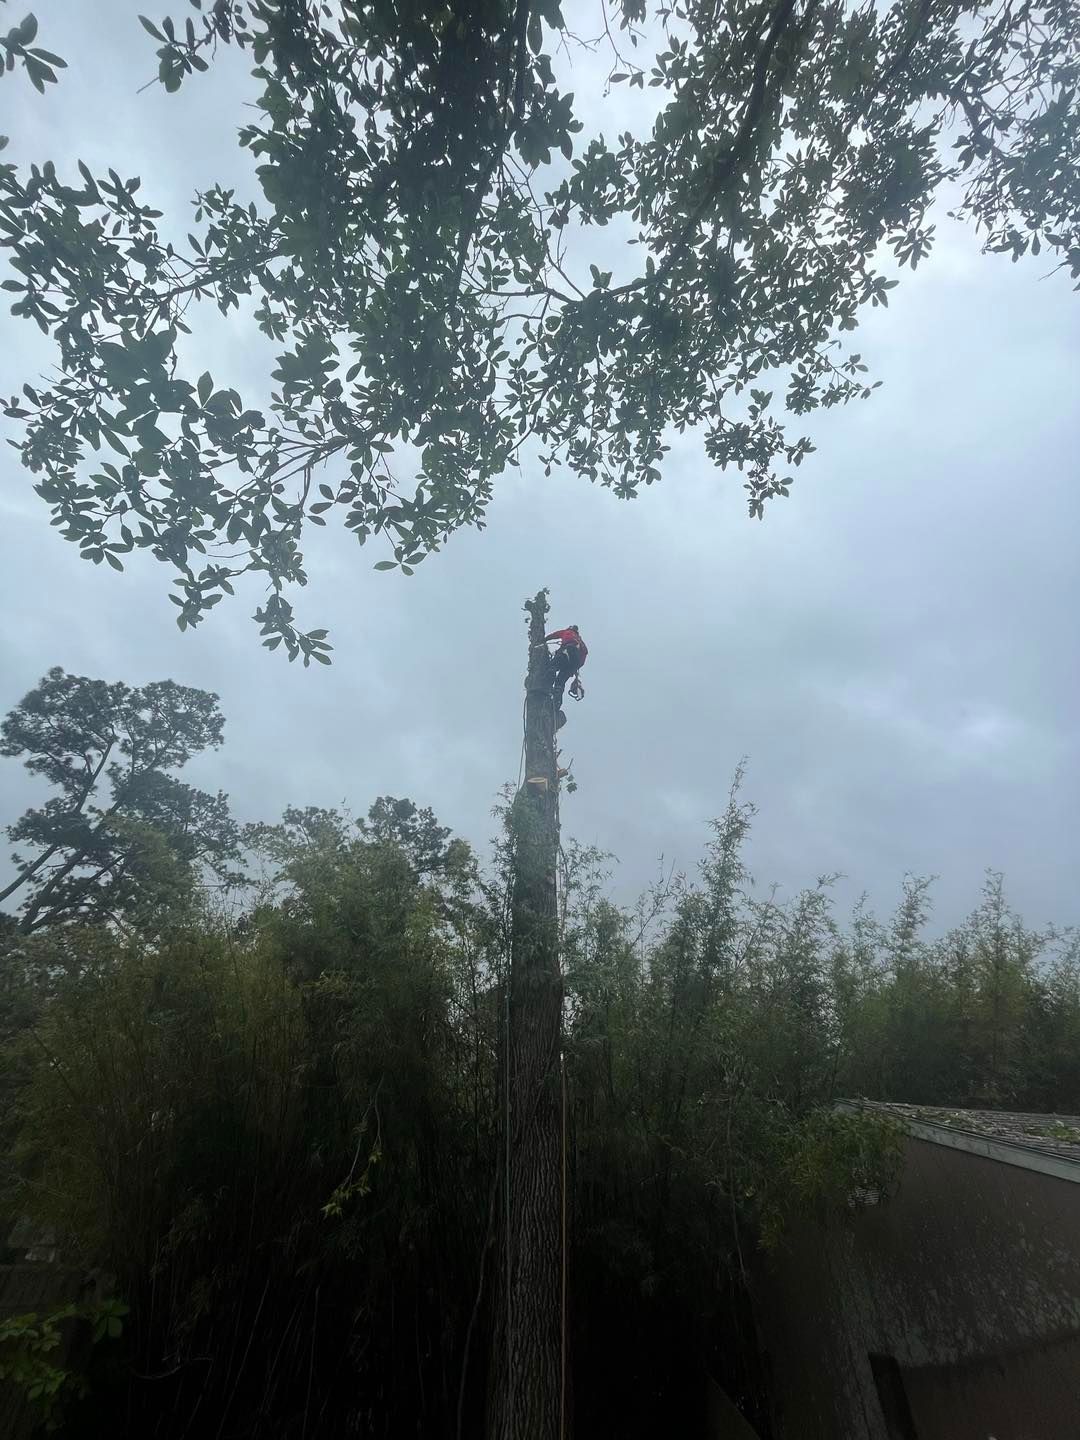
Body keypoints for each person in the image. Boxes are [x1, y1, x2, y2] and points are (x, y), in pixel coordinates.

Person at [546, 624, 587, 706]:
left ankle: (547, 681)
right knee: (560, 681)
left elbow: (555, 635)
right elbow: (585, 654)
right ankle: (557, 700)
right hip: (575, 662)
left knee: (553, 666)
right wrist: (576, 667)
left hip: (567, 651)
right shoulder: (580, 642)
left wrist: (545, 639)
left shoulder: (567, 632)